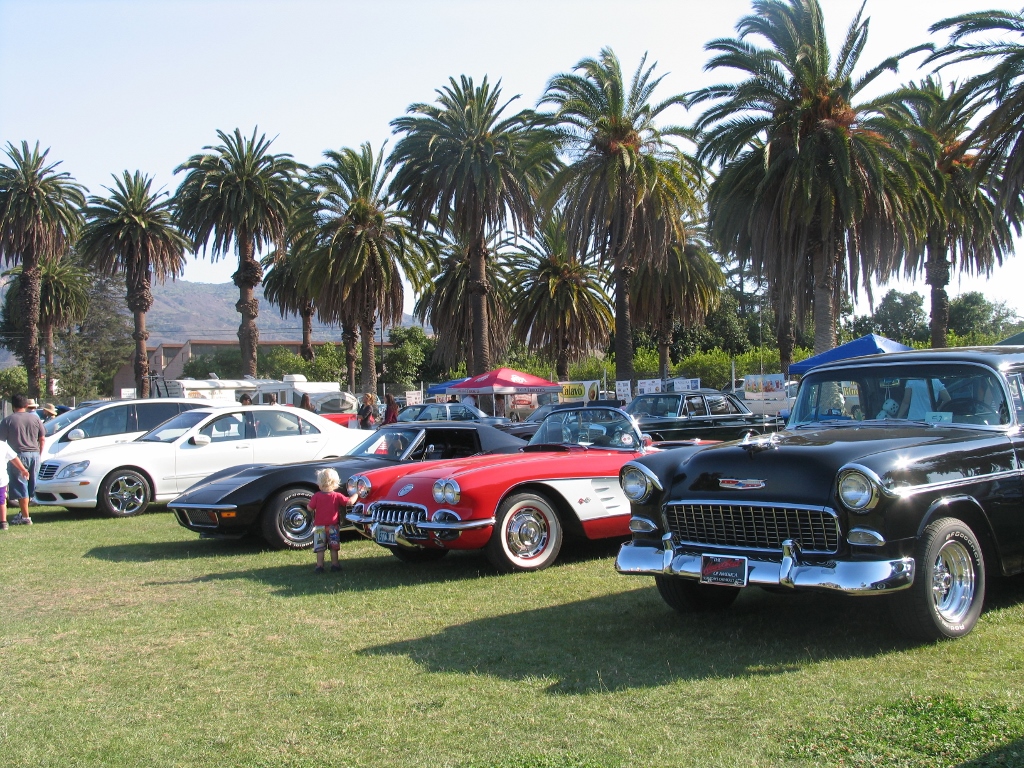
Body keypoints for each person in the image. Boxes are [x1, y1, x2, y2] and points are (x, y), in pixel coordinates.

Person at [0, 394, 45, 526]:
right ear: (26, 405)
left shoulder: (8, 421)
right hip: (35, 454)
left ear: (13, 406)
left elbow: (1, 442)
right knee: (31, 484)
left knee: (20, 485)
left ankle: (25, 516)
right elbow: (42, 438)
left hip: (18, 455)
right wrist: (39, 453)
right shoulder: (35, 419)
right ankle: (24, 512)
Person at [307, 468, 352, 573]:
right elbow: (349, 502)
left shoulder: (316, 496)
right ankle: (335, 565)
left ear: (319, 483)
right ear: (335, 483)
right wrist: (357, 495)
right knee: (333, 547)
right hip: (333, 526)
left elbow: (310, 508)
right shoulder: (336, 496)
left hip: (319, 527)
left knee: (320, 548)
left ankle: (319, 566)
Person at [0, 437, 29, 531]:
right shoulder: (3, 445)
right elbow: (14, 458)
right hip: (1, 478)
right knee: (1, 501)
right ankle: (3, 522)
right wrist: (23, 470)